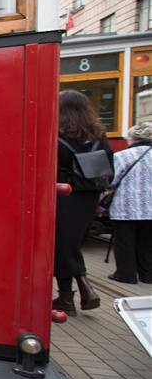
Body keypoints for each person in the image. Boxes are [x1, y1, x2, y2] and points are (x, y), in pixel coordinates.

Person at [53, 90, 113, 316]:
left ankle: (69, 297)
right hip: (89, 199)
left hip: (64, 195)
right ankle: (77, 293)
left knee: (62, 247)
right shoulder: (98, 135)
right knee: (71, 245)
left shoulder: (57, 135)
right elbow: (110, 170)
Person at [108, 122, 152, 284]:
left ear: (132, 138)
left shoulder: (122, 156)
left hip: (125, 206)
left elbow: (111, 180)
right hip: (150, 208)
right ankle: (147, 275)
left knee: (125, 241)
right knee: (147, 242)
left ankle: (126, 274)